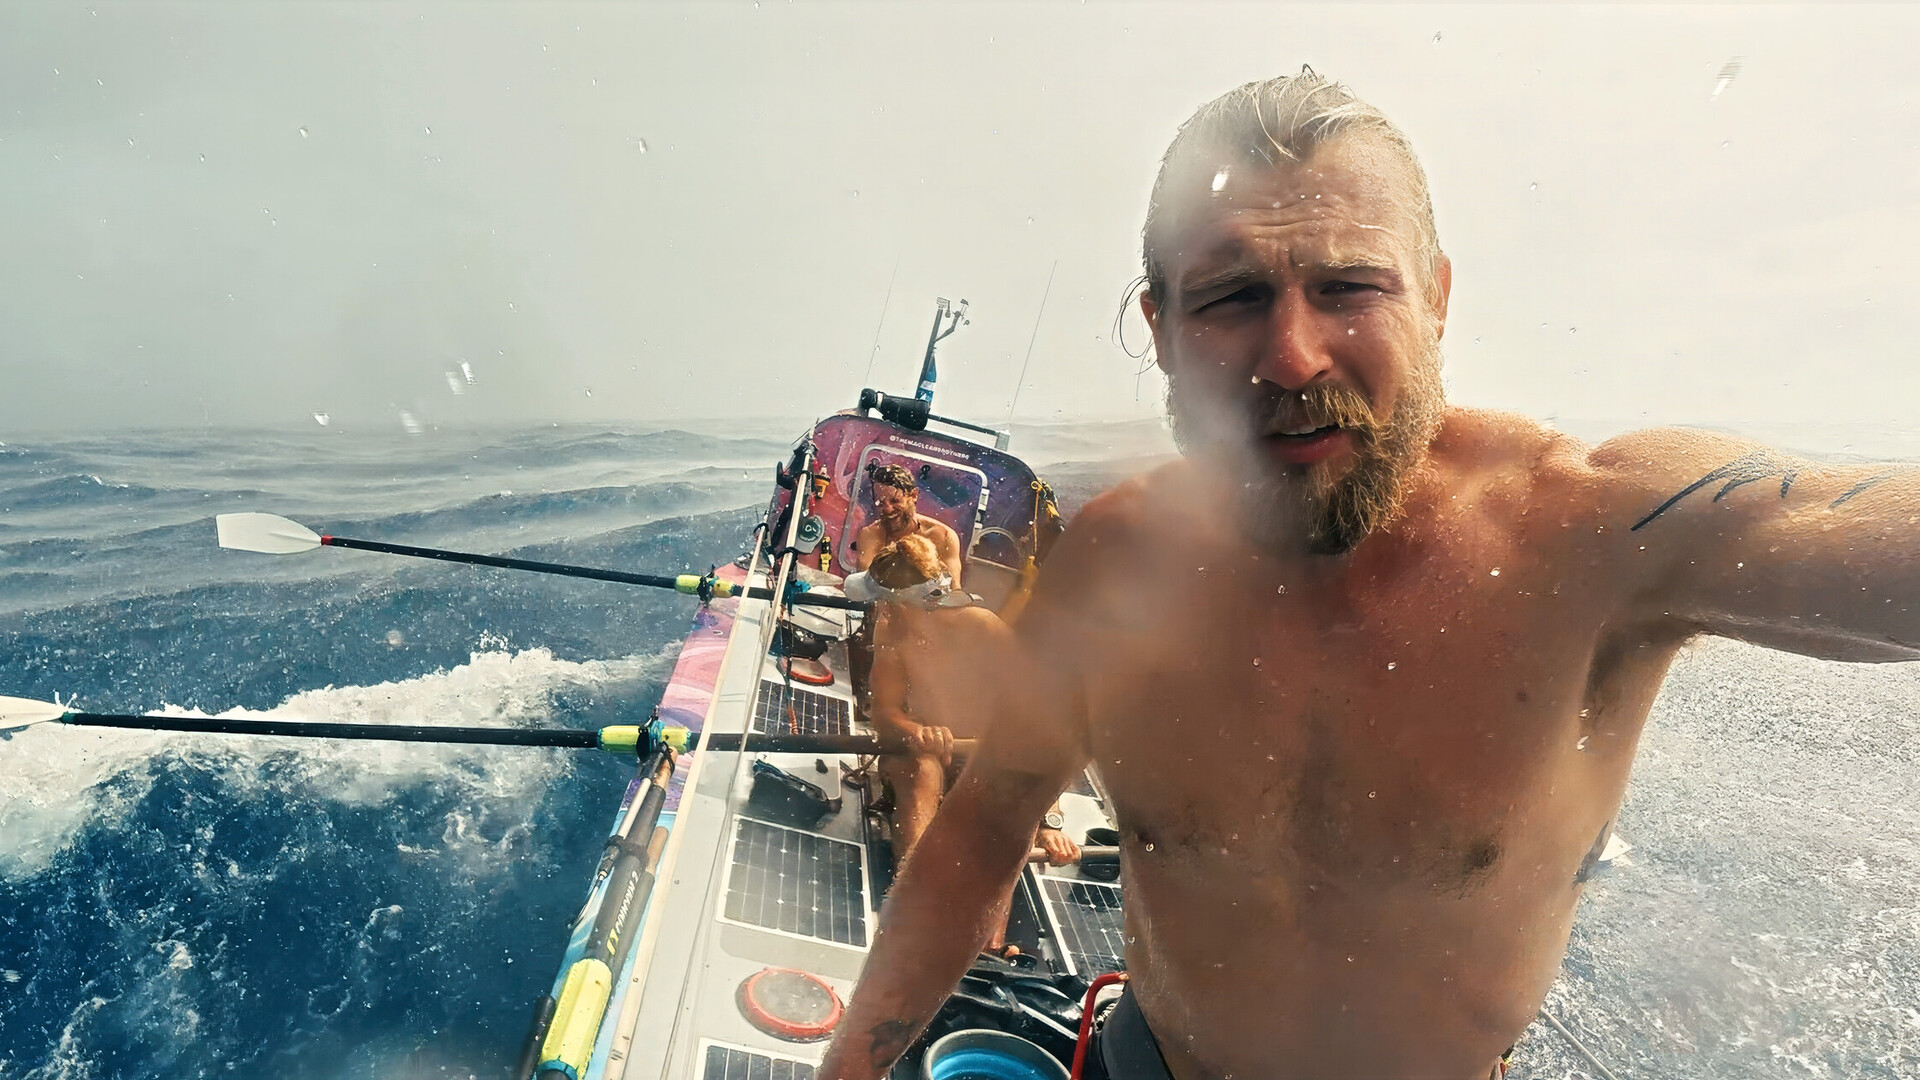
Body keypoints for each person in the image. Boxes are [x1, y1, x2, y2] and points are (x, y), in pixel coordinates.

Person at [820, 68, 1920, 1080]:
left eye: (1350, 285)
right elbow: (982, 827)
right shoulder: (1113, 565)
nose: (1294, 357)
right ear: (1159, 326)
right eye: (1232, 298)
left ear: (1436, 301)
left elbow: (1840, 526)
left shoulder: (1592, 539)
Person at [856, 534, 1080, 956]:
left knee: (1005, 807)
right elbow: (882, 711)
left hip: (987, 753)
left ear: (901, 602)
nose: (879, 608)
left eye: (883, 599)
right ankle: (914, 903)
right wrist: (915, 729)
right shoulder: (894, 633)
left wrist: (1046, 820)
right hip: (927, 753)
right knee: (919, 768)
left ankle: (987, 948)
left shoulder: (982, 627)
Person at [853, 463, 964, 587]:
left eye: (895, 501)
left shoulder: (943, 536)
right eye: (880, 502)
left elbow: (954, 590)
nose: (888, 509)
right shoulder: (870, 536)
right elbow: (866, 588)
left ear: (914, 495)